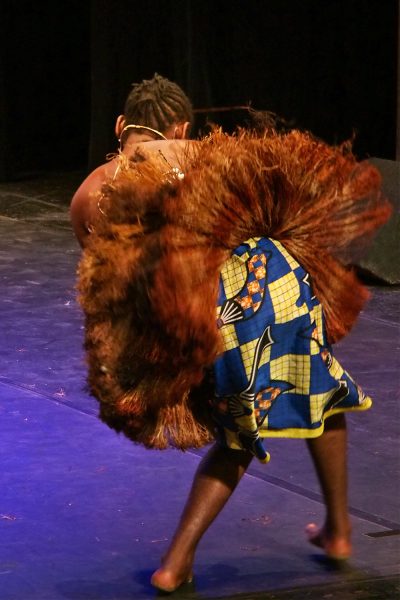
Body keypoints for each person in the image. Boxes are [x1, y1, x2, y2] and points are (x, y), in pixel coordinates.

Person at [72, 90, 391, 594]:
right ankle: (176, 563)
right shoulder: (194, 154)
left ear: (118, 124)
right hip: (265, 294)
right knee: (251, 427)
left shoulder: (87, 195)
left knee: (319, 392)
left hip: (200, 317)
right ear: (179, 127)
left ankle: (338, 530)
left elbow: (107, 289)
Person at [70, 73, 193, 248]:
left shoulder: (83, 197)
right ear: (182, 132)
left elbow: (97, 269)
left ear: (120, 125)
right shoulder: (194, 187)